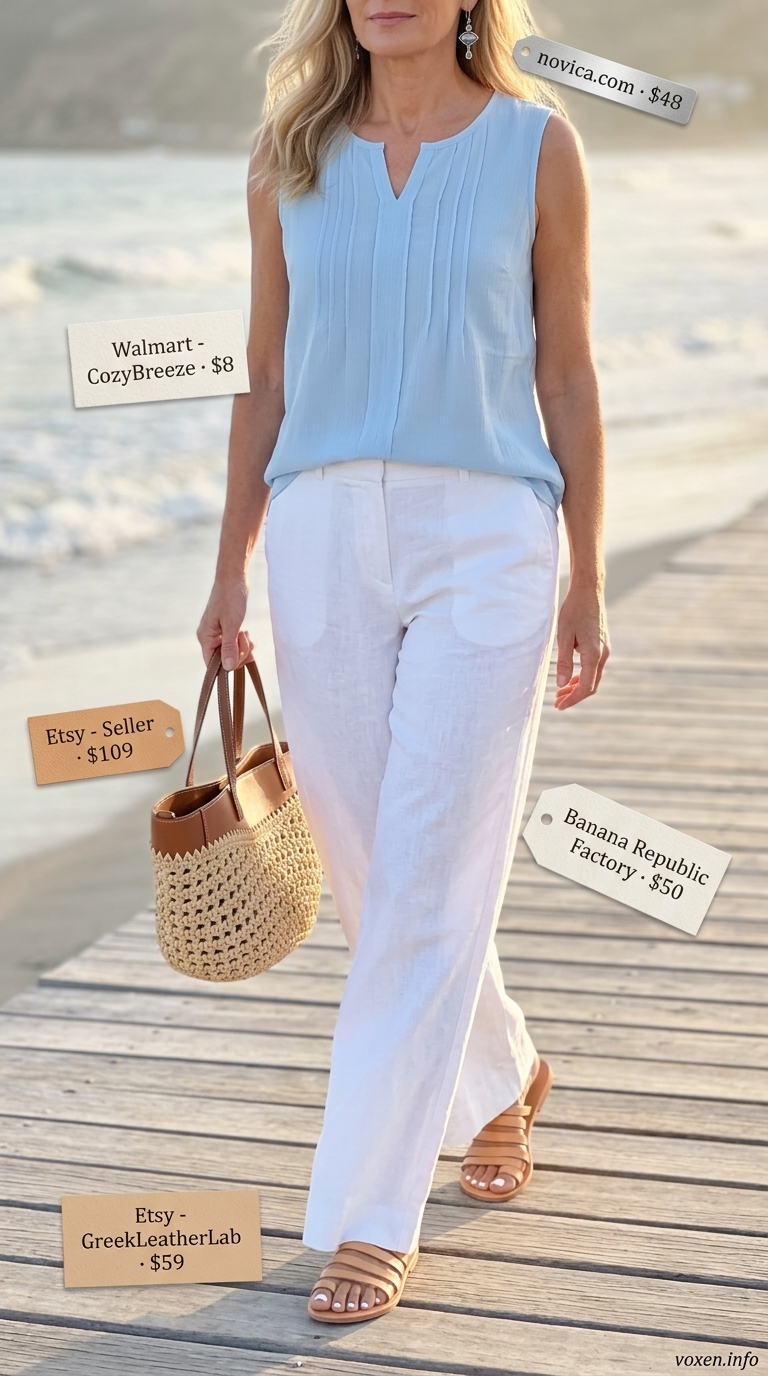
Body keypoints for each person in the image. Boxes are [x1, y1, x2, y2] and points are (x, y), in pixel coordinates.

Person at [198, 0, 609, 1324]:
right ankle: (504, 1072)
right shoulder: (287, 154)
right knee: (377, 864)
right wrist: (228, 570)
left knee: (433, 864)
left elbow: (566, 372)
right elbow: (263, 375)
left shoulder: (538, 147)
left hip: (488, 536)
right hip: (320, 532)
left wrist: (588, 574)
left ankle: (372, 1214)